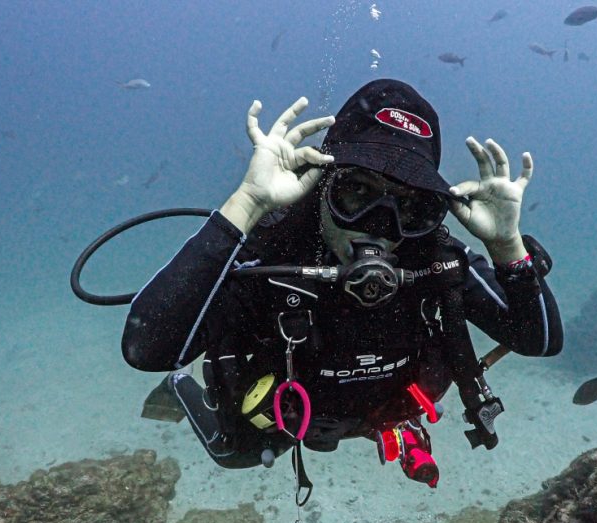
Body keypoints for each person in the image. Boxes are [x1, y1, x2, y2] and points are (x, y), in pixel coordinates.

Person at [122, 79, 562, 488]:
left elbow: (539, 340)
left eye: (409, 208)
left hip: (386, 413)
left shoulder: (432, 259)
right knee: (233, 453)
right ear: (323, 183)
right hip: (283, 416)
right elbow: (148, 349)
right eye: (356, 194)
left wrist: (507, 246)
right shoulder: (273, 254)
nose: (380, 227)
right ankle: (181, 390)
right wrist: (247, 203)